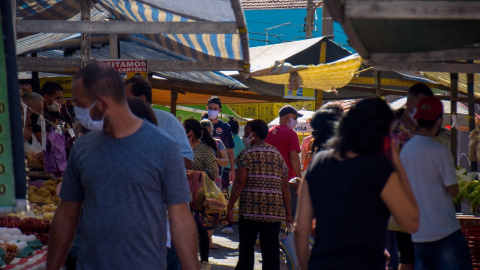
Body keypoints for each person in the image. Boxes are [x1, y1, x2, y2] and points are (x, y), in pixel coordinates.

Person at [47, 62, 199, 270]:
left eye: (80, 104)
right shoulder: (83, 148)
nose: (76, 111)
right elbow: (67, 215)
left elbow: (181, 219)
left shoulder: (164, 148)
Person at [294, 97, 419, 270]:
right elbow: (411, 223)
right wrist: (397, 162)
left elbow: (300, 229)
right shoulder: (379, 168)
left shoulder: (319, 162)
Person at [401, 96, 473, 270]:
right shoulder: (439, 150)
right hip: (444, 230)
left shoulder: (405, 150)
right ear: (439, 121)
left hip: (419, 233)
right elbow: (454, 190)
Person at [227, 119, 292, 270]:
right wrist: (288, 213)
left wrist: (230, 206)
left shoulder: (247, 154)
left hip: (250, 210)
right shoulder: (277, 155)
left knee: (246, 251)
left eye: (247, 133)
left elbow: (239, 182)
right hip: (273, 212)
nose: (246, 136)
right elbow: (284, 186)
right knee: (271, 252)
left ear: (254, 135)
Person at [390, 83, 433, 270]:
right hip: (403, 204)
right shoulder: (394, 132)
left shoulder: (425, 130)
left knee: (417, 258)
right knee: (408, 258)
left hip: (423, 204)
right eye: (420, 104)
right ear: (409, 103)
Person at [124, 76, 194, 168]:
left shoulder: (166, 120)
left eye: (126, 99)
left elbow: (187, 160)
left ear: (141, 99)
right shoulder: (121, 123)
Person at [183, 119, 219, 270]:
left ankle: (204, 261)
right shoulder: (179, 147)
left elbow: (214, 172)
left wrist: (194, 173)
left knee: (200, 227)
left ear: (190, 132)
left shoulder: (205, 149)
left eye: (183, 128)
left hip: (199, 194)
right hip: (181, 193)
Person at [265, 105, 302, 218]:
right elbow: (294, 157)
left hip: (269, 180)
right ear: (287, 118)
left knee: (272, 215)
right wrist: (299, 178)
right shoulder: (291, 134)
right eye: (295, 118)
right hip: (288, 181)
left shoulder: (268, 132)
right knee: (291, 214)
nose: (296, 121)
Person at [199, 119, 227, 249]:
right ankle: (205, 240)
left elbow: (225, 161)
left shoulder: (217, 143)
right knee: (204, 212)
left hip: (213, 183)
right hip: (199, 182)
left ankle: (208, 240)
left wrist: (214, 159)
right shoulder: (195, 143)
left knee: (211, 212)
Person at [222, 117, 245, 234]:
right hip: (238, 172)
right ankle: (230, 224)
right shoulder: (241, 142)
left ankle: (227, 223)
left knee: (225, 198)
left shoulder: (225, 141)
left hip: (226, 172)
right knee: (233, 198)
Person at [206, 96, 236, 185]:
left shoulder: (225, 127)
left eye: (215, 109)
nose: (212, 111)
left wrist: (232, 170)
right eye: (210, 108)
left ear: (220, 110)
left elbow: (230, 151)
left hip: (217, 170)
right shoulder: (201, 125)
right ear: (207, 108)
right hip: (200, 169)